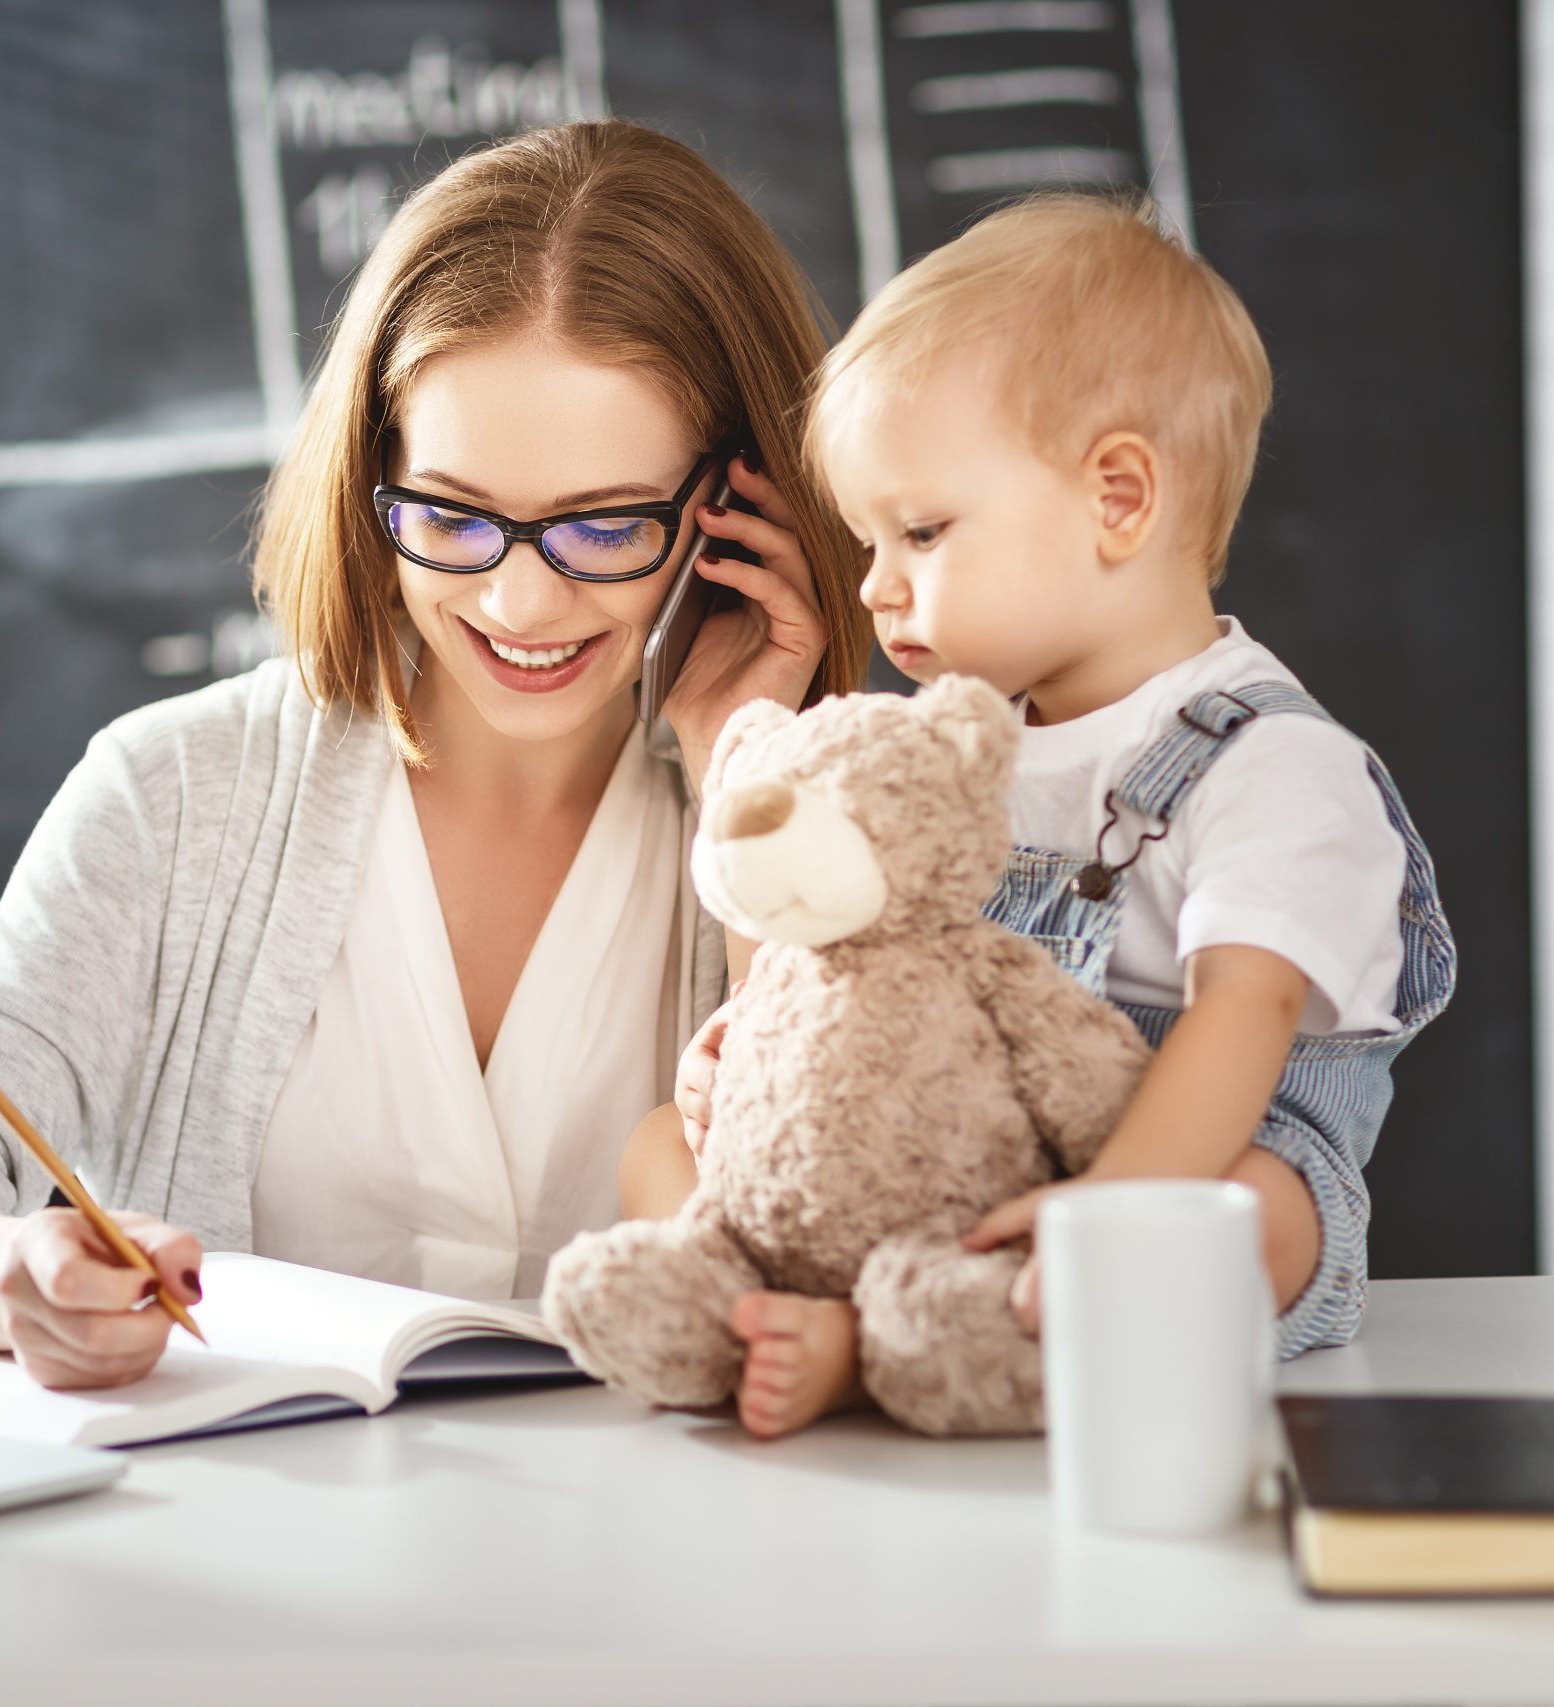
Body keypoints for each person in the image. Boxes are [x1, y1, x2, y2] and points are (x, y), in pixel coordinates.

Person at [0, 119, 874, 1386]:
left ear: (733, 510)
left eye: (604, 526)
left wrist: (751, 767)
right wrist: (4, 1275)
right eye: (452, 515)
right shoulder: (177, 795)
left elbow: (841, 1256)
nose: (518, 606)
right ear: (372, 479)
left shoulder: (833, 817)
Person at [624, 193, 1456, 1439]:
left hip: (1177, 1166)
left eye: (920, 531)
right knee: (652, 1143)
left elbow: (1244, 1015)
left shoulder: (1273, 763)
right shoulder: (955, 748)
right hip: (961, 1149)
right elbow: (849, 949)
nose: (874, 585)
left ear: (1118, 498)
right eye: (866, 540)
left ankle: (870, 1349)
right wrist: (758, 1052)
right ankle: (758, 1300)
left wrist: (1111, 1207)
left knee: (1258, 1212)